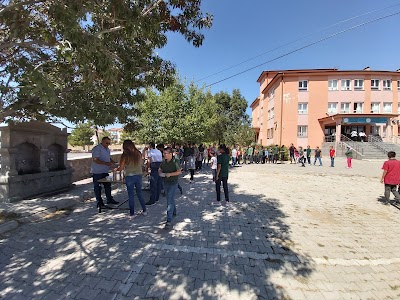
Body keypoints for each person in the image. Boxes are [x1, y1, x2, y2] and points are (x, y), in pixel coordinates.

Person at [114, 140, 146, 219]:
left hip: (129, 176)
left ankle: (132, 213)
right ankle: (144, 210)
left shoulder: (125, 155)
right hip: (138, 175)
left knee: (131, 195)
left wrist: (116, 170)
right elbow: (141, 163)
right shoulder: (138, 153)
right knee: (139, 193)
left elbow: (121, 168)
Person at [91, 137, 118, 210]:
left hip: (105, 171)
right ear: (102, 142)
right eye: (106, 143)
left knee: (108, 185)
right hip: (97, 172)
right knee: (97, 188)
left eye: (109, 143)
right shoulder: (97, 149)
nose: (108, 144)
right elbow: (95, 159)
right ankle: (99, 203)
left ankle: (109, 199)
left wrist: (112, 162)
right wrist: (105, 163)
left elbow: (108, 157)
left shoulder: (107, 149)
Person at [159, 147, 182, 229]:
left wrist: (170, 174)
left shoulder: (175, 161)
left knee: (169, 201)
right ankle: (174, 211)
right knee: (170, 198)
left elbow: (179, 171)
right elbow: (160, 169)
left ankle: (169, 220)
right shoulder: (163, 161)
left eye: (166, 153)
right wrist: (160, 172)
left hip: (173, 183)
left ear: (170, 154)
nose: (164, 155)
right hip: (165, 182)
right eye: (163, 153)